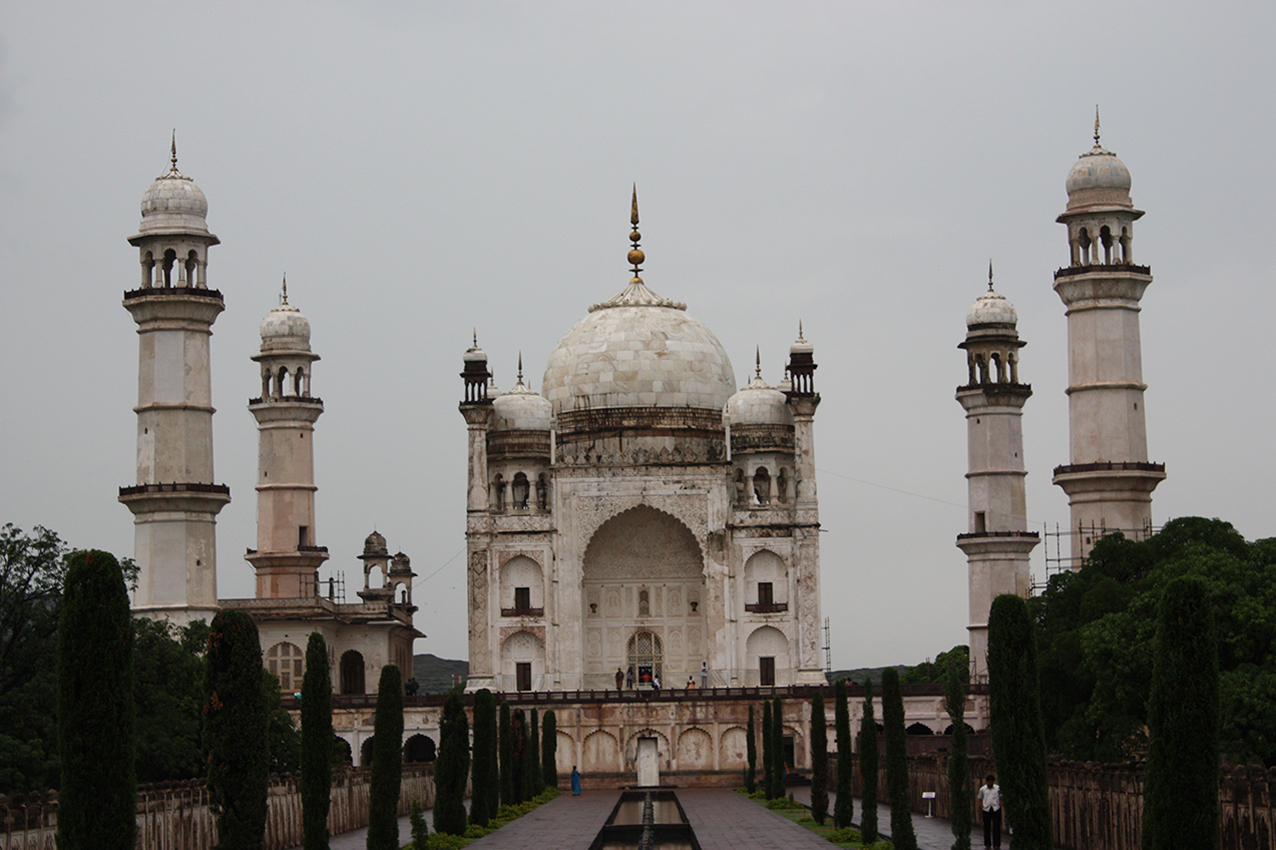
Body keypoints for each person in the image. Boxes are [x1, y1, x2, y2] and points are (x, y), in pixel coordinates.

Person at [978, 773, 1002, 849]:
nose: (990, 783)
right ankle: (987, 844)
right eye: (989, 782)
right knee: (987, 827)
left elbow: (1001, 798)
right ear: (987, 782)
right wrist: (982, 807)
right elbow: (980, 798)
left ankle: (997, 844)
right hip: (986, 809)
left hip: (996, 808)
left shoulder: (998, 789)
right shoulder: (982, 789)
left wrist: (1000, 806)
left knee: (997, 827)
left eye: (992, 782)